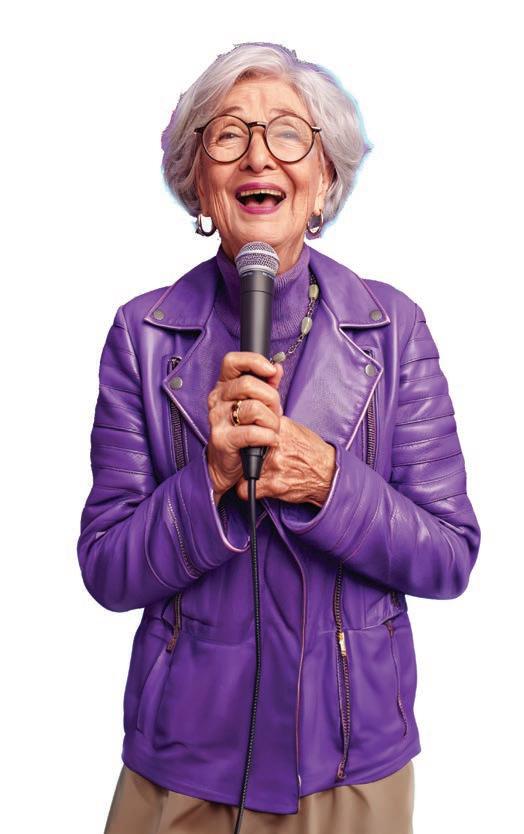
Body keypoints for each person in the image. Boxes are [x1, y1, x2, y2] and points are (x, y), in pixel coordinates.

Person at [77, 41, 481, 834]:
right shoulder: (142, 335)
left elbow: (449, 555)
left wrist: (328, 481)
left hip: (350, 768)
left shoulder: (393, 329)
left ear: (324, 178)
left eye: (288, 133)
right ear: (199, 182)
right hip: (180, 765)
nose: (258, 155)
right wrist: (208, 482)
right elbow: (108, 569)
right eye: (228, 134)